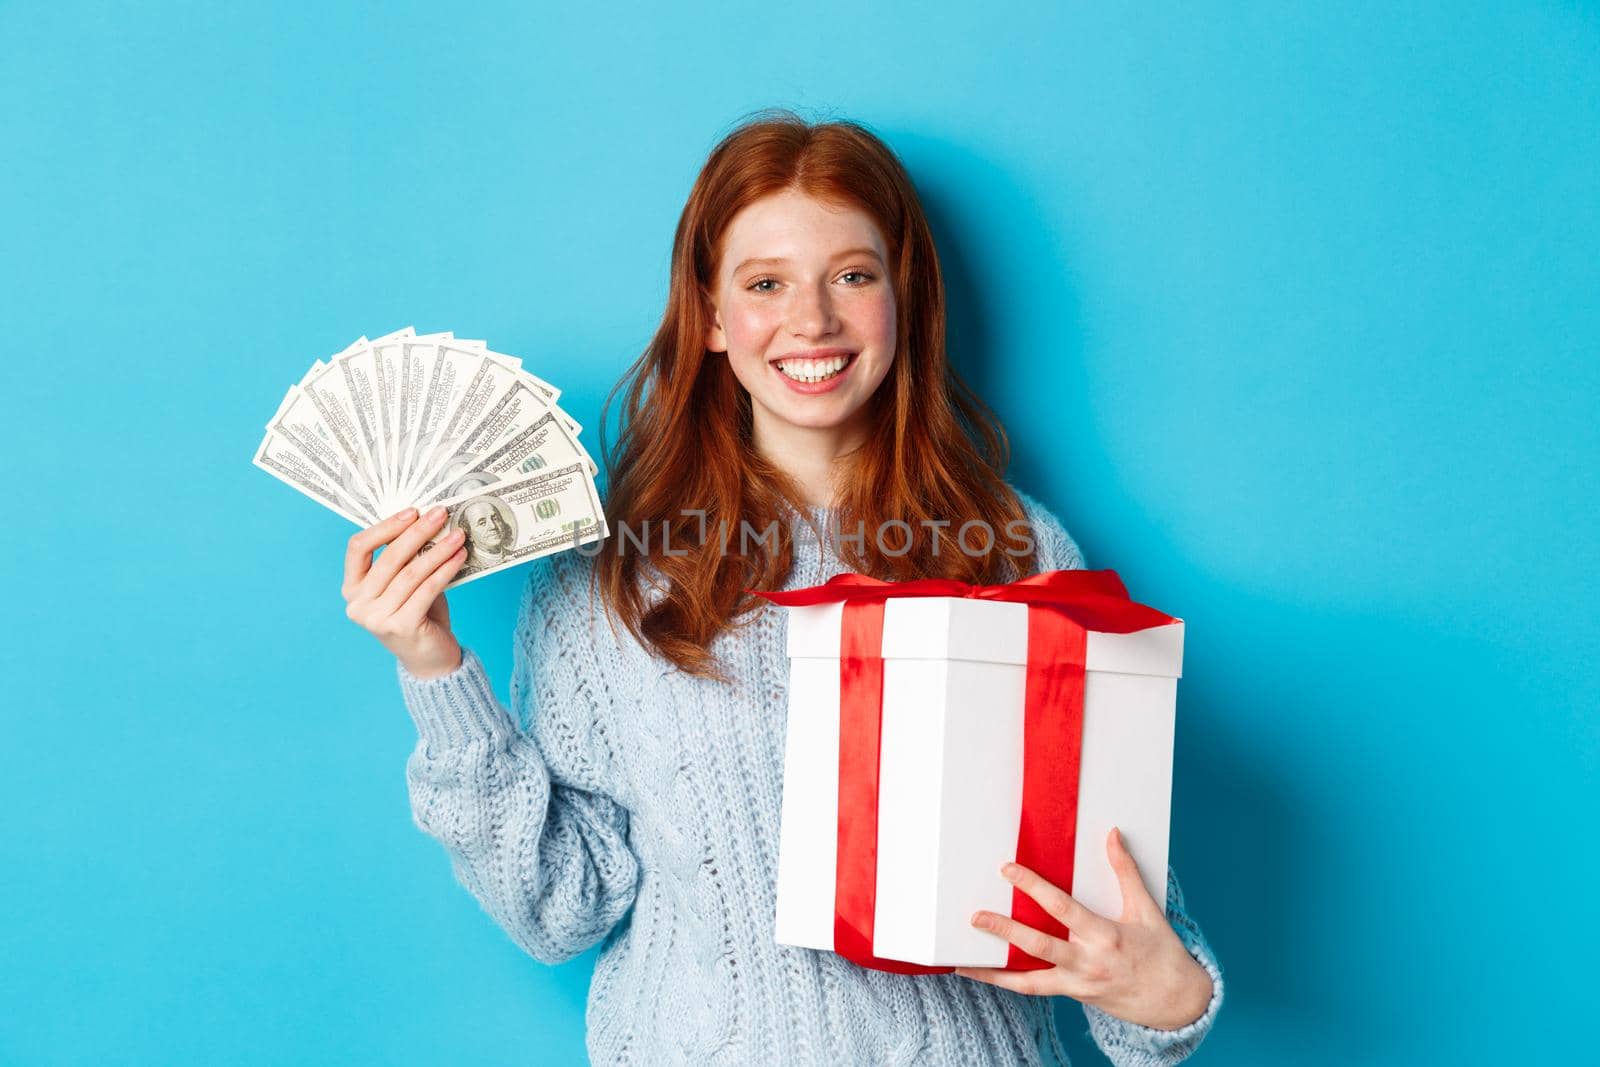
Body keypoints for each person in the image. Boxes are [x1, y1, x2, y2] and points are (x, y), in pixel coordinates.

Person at [339, 110, 1224, 1066]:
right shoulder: (611, 577)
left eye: (852, 274)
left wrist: (1172, 993)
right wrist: (435, 671)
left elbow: (1122, 935)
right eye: (767, 283)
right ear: (713, 314)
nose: (813, 321)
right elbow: (563, 910)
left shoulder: (1016, 547)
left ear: (903, 296)